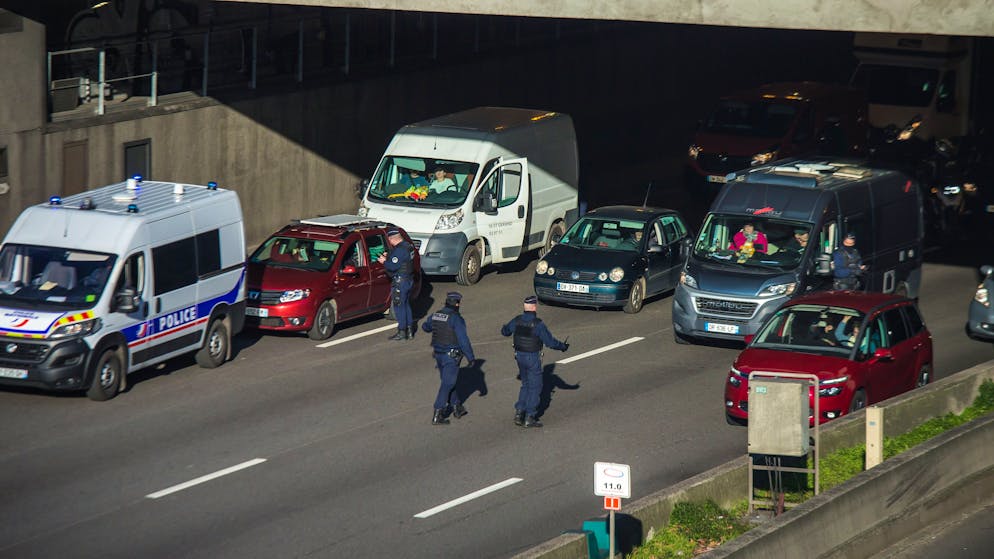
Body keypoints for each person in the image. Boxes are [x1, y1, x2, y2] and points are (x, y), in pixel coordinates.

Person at [500, 295, 569, 428]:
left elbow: (505, 332)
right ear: (534, 307)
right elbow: (550, 342)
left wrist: (505, 328)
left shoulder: (517, 320)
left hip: (519, 356)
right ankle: (530, 417)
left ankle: (519, 413)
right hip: (532, 358)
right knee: (535, 387)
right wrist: (563, 347)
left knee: (525, 384)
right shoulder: (538, 324)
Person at [422, 292, 476, 425]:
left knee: (448, 380)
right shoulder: (456, 319)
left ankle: (457, 406)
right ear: (457, 304)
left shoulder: (436, 315)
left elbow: (425, 327)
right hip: (451, 356)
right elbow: (463, 340)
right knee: (448, 383)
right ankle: (438, 412)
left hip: (438, 355)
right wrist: (471, 357)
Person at [378, 229, 415, 340]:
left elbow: (393, 266)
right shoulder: (408, 246)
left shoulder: (399, 251)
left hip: (400, 281)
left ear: (393, 239)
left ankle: (402, 332)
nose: (389, 242)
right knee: (406, 305)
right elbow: (403, 260)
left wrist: (384, 261)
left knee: (399, 307)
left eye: (389, 240)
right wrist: (389, 255)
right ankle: (409, 330)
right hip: (408, 280)